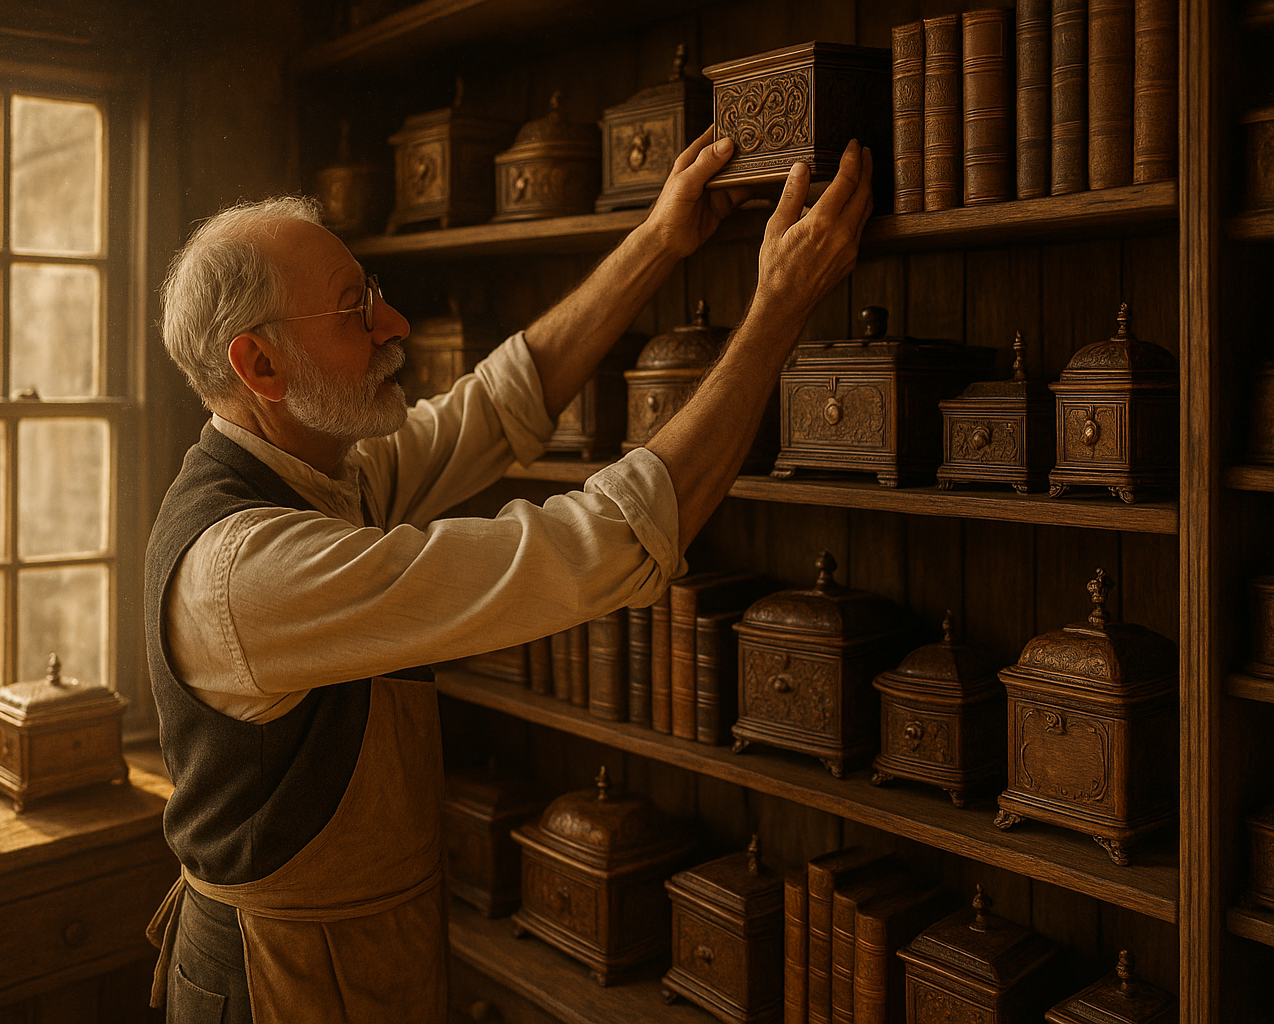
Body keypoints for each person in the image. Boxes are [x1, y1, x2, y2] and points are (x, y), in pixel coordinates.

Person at [144, 128, 873, 1024]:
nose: (394, 326)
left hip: (359, 951)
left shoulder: (324, 471)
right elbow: (591, 546)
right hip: (279, 983)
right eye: (352, 310)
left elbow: (493, 409)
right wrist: (776, 312)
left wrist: (658, 240)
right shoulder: (249, 574)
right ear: (258, 365)